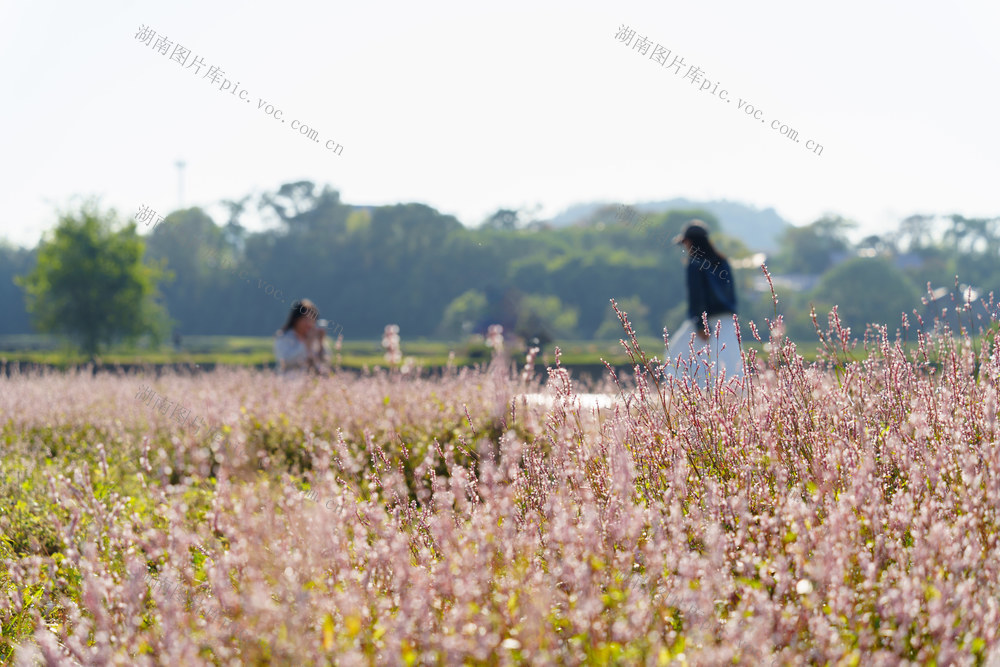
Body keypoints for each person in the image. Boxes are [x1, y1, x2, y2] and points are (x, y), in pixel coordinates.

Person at [664, 220, 744, 385]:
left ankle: (689, 400)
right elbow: (731, 294)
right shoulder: (723, 262)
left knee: (675, 356)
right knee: (731, 366)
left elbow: (697, 296)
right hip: (729, 321)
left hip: (708, 322)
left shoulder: (694, 264)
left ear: (691, 241)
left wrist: (701, 325)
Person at [274, 299, 330, 375]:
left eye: (312, 320)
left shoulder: (314, 337)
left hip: (312, 381)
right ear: (296, 319)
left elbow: (325, 361)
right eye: (305, 319)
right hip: (290, 380)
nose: (309, 324)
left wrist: (321, 342)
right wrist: (306, 345)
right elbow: (286, 361)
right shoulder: (284, 337)